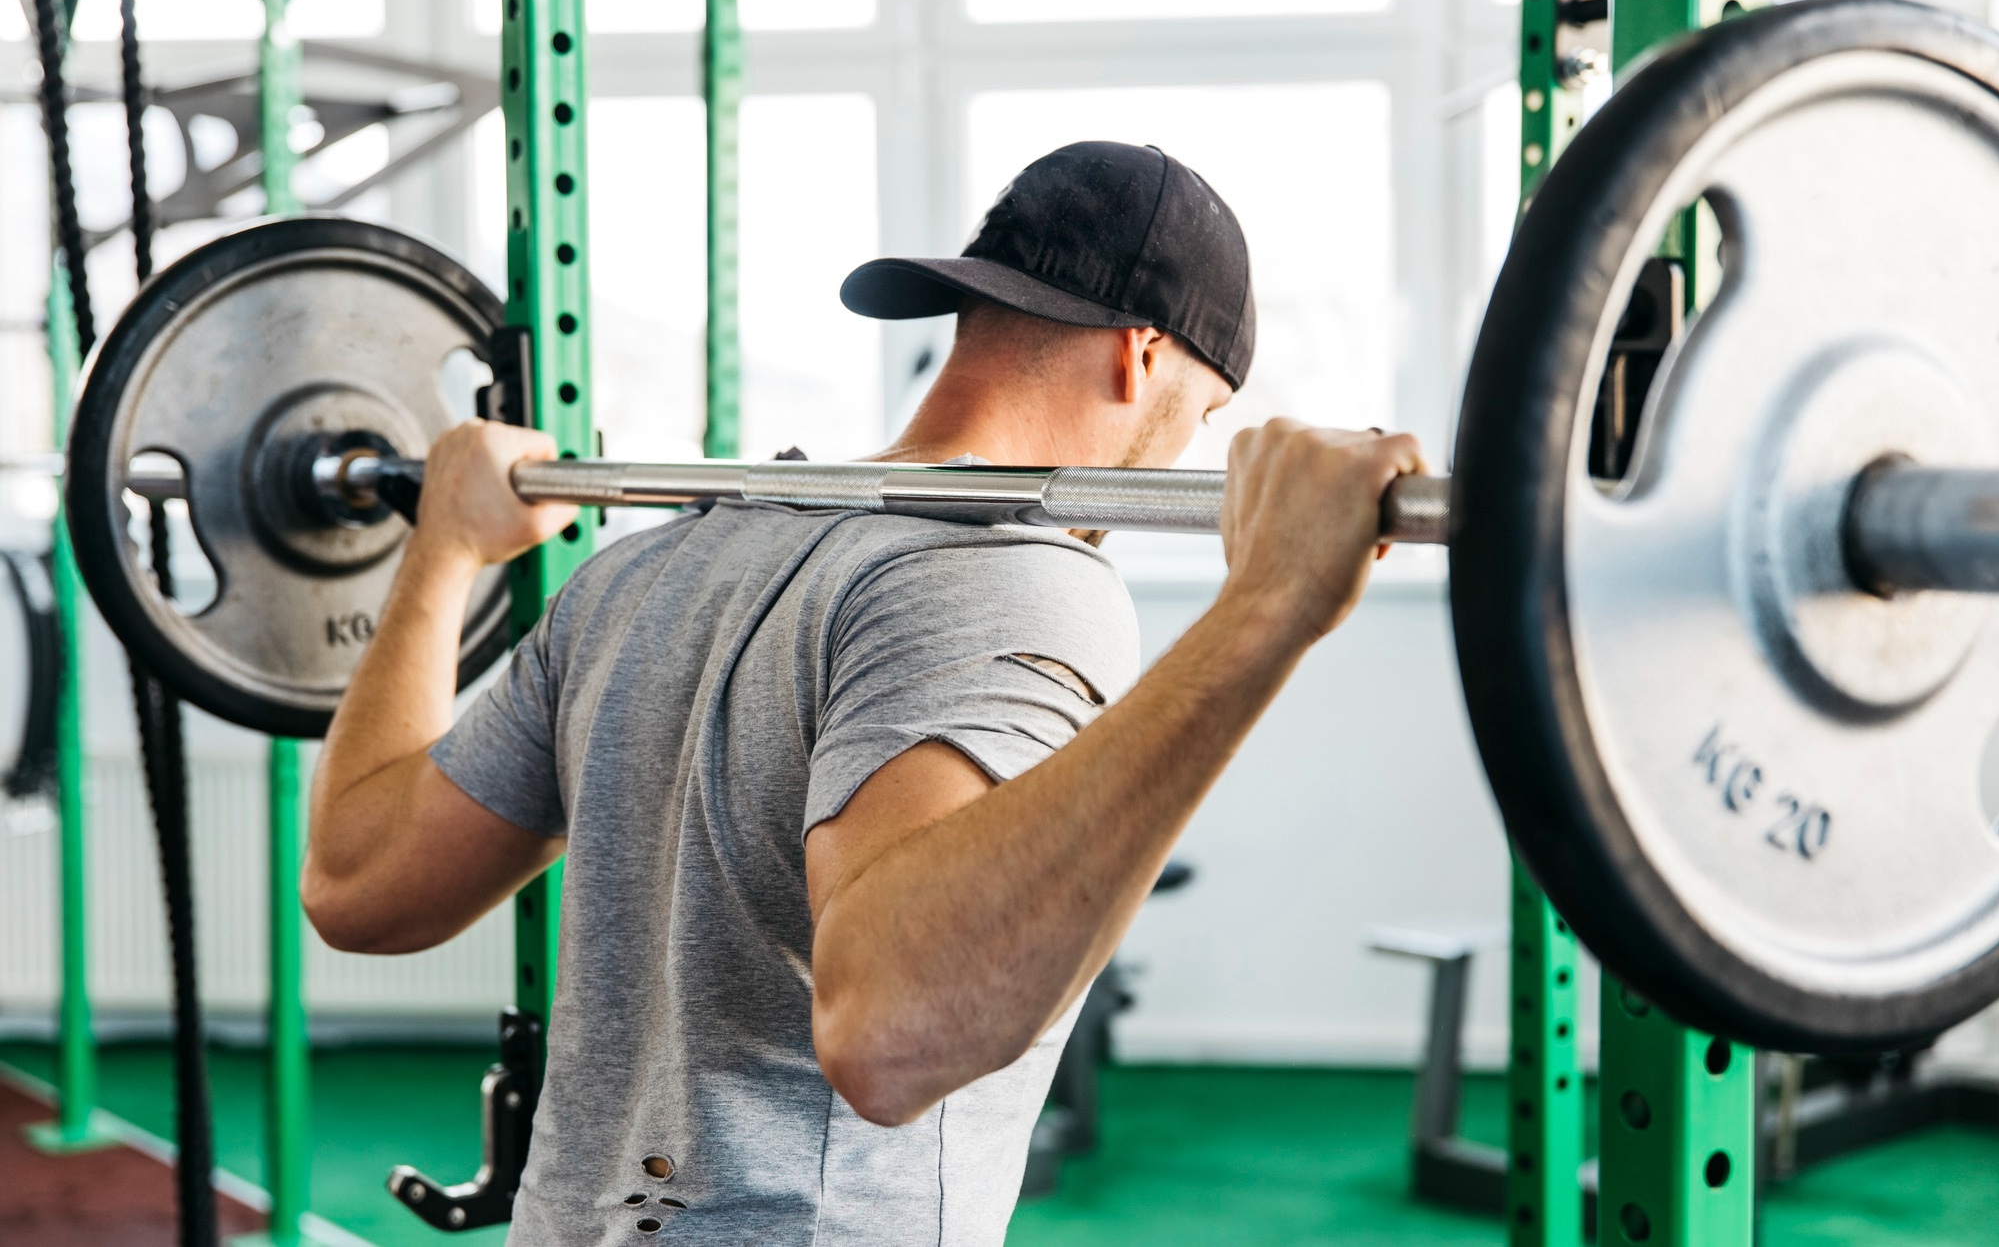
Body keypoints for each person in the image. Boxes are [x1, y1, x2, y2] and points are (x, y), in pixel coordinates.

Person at [302, 140, 1423, 1244]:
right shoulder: (1016, 576)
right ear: (1139, 356)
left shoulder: (648, 568)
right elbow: (890, 1033)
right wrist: (1267, 606)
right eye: (1202, 412)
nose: (1187, 442)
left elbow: (357, 882)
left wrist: (442, 550)